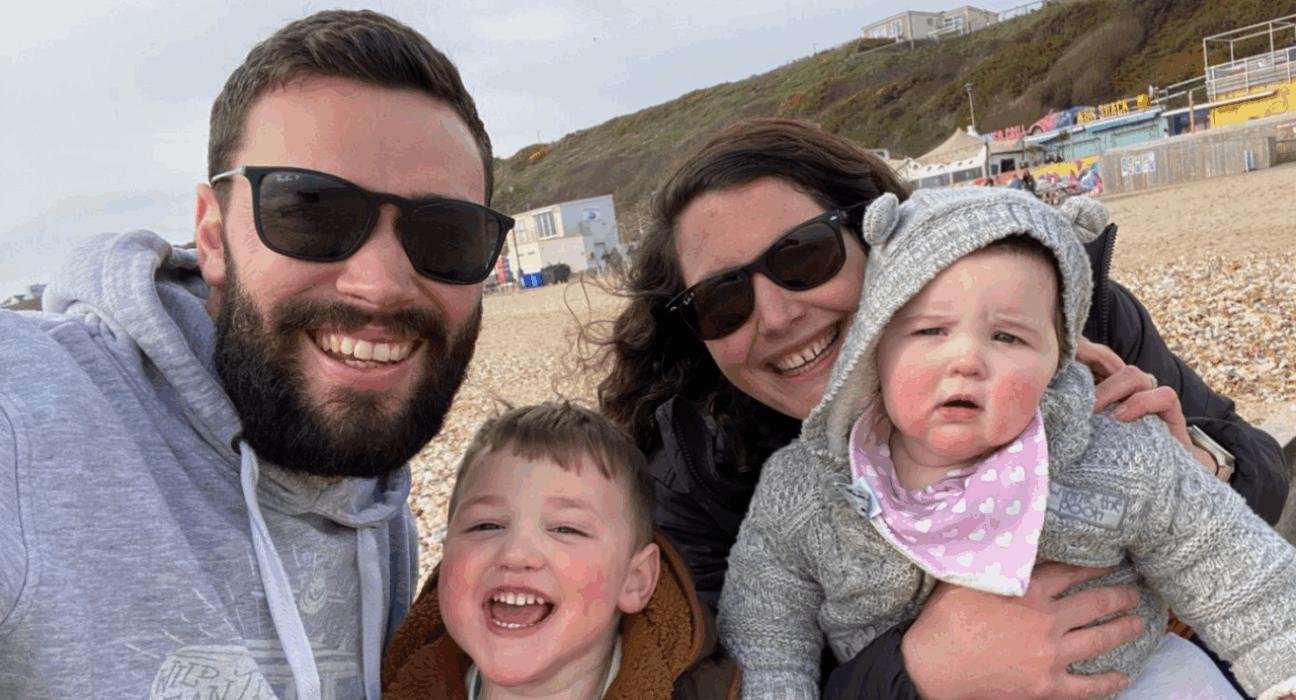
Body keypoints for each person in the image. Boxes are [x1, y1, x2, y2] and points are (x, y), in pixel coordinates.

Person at [592, 118, 1288, 698]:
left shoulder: (1081, 320)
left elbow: (1248, 516)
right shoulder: (699, 470)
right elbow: (749, 666)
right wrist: (916, 668)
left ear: (881, 239)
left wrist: (1202, 466)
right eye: (723, 300)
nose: (775, 315)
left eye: (801, 257)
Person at [0, 10, 507, 698]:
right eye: (312, 210)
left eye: (447, 235)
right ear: (212, 237)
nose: (382, 284)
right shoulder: (30, 418)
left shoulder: (371, 497)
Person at [382, 402, 741, 699]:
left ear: (635, 581)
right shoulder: (398, 682)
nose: (515, 553)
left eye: (565, 528)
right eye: (485, 525)